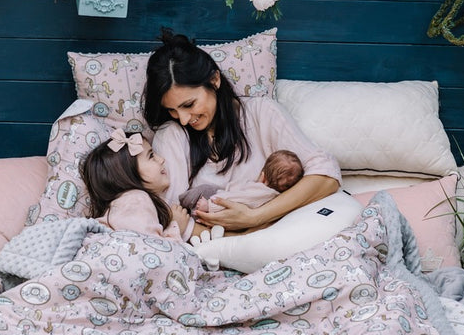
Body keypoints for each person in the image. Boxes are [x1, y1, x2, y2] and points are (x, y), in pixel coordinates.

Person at [142, 29, 342, 234]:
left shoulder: (261, 113)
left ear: (214, 80)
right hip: (214, 248)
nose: (183, 119)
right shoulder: (172, 135)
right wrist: (237, 236)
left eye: (189, 104)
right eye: (172, 110)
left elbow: (326, 176)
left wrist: (255, 217)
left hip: (278, 236)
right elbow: (172, 217)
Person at [79, 128, 193, 241]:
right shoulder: (135, 201)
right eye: (151, 156)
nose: (161, 159)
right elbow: (151, 251)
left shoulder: (127, 206)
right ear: (127, 174)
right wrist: (176, 227)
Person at [180, 149, 304, 215]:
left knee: (204, 190)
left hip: (217, 205)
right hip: (222, 199)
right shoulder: (268, 193)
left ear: (263, 176)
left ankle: (180, 203)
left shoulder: (259, 193)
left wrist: (209, 206)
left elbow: (234, 200)